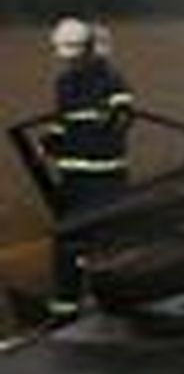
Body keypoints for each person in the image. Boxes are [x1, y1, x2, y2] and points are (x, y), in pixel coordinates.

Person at [42, 17, 134, 322]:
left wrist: (112, 120)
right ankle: (65, 309)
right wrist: (50, 142)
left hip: (105, 180)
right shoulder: (64, 83)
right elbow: (61, 123)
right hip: (73, 181)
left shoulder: (112, 80)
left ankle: (107, 301)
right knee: (68, 241)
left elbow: (123, 113)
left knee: (104, 240)